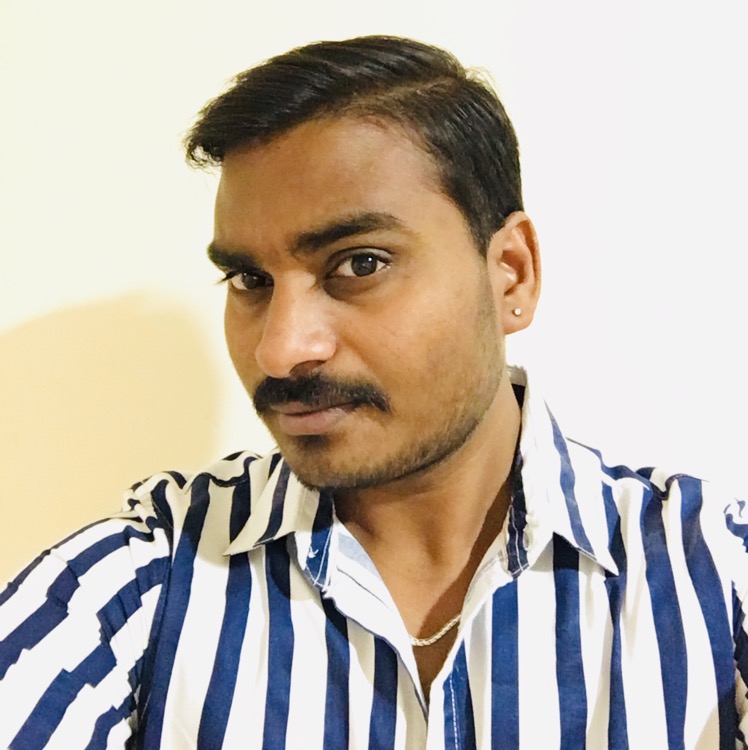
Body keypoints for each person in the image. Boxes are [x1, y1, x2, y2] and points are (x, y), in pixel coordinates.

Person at [0, 34, 746, 750]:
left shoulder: (717, 572)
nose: (281, 349)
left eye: (359, 264)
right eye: (250, 280)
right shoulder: (143, 581)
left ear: (511, 274)